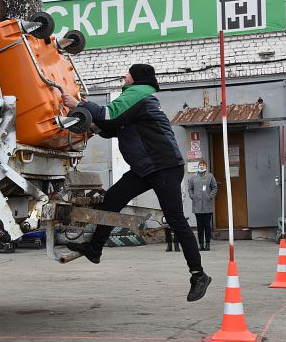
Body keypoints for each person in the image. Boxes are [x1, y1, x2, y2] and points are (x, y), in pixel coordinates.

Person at [62, 63, 212, 302]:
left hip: (163, 166)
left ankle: (199, 275)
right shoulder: (137, 98)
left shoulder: (138, 93)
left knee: (176, 220)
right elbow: (111, 127)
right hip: (146, 167)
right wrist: (88, 122)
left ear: (136, 77)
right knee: (112, 199)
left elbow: (109, 114)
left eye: (127, 73)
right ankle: (95, 248)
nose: (124, 76)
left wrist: (79, 104)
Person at [187, 160, 218, 251]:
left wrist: (210, 196)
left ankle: (208, 243)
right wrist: (193, 196)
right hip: (197, 206)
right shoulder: (193, 177)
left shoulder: (210, 176)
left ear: (206, 166)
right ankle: (201, 244)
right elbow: (190, 188)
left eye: (203, 165)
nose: (201, 166)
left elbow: (214, 187)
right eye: (200, 165)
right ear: (198, 166)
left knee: (207, 226)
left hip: (207, 205)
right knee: (200, 226)